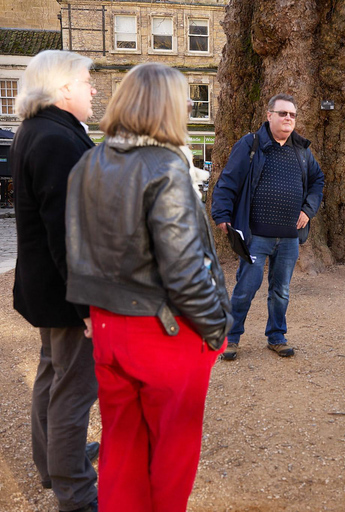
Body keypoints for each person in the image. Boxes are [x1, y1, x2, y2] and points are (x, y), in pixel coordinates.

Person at [64, 62, 233, 511]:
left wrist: (87, 311)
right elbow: (185, 271)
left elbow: (73, 247)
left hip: (108, 327)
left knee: (121, 447)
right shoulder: (165, 167)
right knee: (173, 453)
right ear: (166, 108)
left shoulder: (88, 160)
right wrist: (217, 329)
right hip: (163, 332)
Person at [9, 50, 99, 512]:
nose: (94, 89)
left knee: (51, 372)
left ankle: (52, 464)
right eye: (87, 81)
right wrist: (87, 307)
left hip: (47, 288)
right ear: (64, 87)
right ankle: (76, 492)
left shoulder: (39, 130)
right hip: (67, 294)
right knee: (74, 390)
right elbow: (69, 232)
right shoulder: (57, 140)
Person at [212, 93, 325, 361]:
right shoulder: (250, 145)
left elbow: (317, 181)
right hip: (255, 235)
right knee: (245, 288)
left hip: (288, 238)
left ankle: (276, 337)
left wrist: (308, 210)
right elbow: (227, 181)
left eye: (292, 115)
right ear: (269, 115)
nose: (288, 118)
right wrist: (221, 216)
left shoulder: (302, 151)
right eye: (283, 113)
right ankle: (231, 339)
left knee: (281, 290)